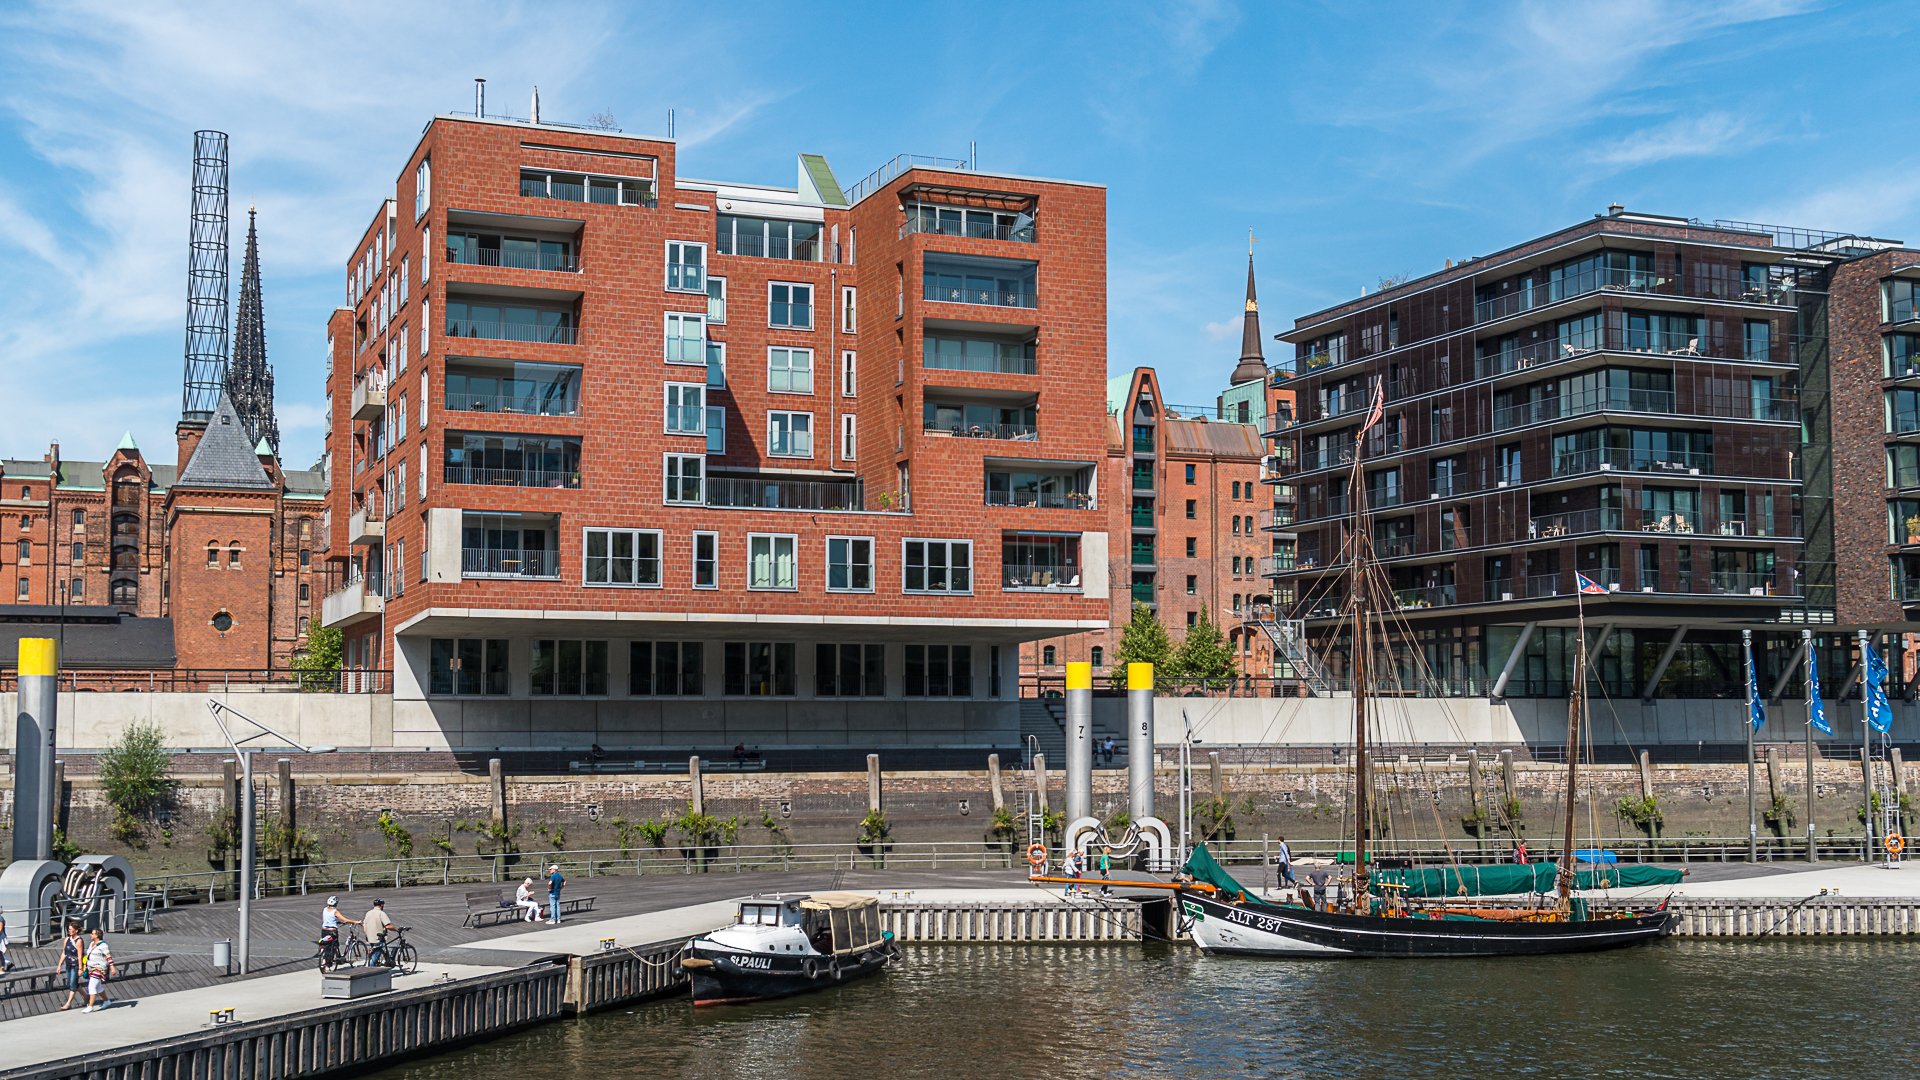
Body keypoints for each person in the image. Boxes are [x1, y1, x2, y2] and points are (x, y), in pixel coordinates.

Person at [82, 928, 115, 1012]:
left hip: (99, 968)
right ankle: (107, 1001)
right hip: (91, 967)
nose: (90, 935)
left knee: (92, 986)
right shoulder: (92, 943)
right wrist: (86, 965)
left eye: (92, 934)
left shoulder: (103, 945)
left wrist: (112, 967)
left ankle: (90, 1006)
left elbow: (108, 956)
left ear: (97, 935)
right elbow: (88, 955)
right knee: (98, 987)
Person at [57, 921, 85, 1010]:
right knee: (73, 983)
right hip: (68, 964)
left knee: (72, 985)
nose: (70, 931)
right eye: (69, 930)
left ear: (76, 931)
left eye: (72, 930)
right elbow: (64, 953)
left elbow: (80, 956)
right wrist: (59, 965)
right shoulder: (67, 939)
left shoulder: (79, 941)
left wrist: (80, 968)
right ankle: (86, 996)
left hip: (75, 965)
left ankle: (68, 1003)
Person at [363, 899, 395, 966]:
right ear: (381, 905)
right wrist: (397, 929)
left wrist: (366, 936)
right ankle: (369, 971)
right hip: (379, 938)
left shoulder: (368, 913)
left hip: (370, 938)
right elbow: (388, 926)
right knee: (375, 957)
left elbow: (364, 925)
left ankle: (375, 967)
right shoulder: (381, 913)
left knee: (375, 954)